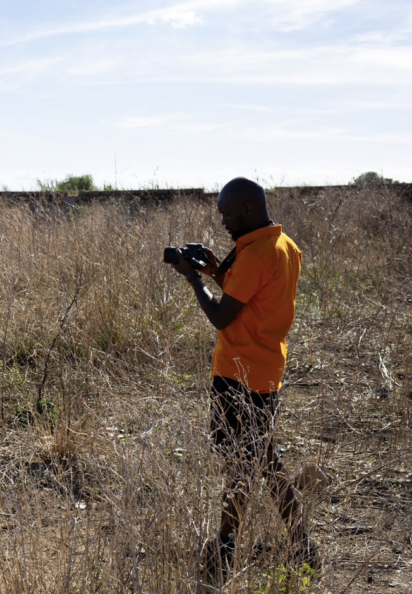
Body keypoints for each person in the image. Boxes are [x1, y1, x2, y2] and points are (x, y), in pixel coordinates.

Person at [167, 177, 317, 572]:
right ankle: (298, 543)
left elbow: (221, 316)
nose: (223, 223)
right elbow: (249, 296)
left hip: (239, 375)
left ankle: (225, 549)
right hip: (267, 371)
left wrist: (192, 278)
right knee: (261, 462)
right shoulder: (284, 248)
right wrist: (217, 270)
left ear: (248, 209)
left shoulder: (254, 256)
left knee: (243, 464)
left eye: (227, 214)